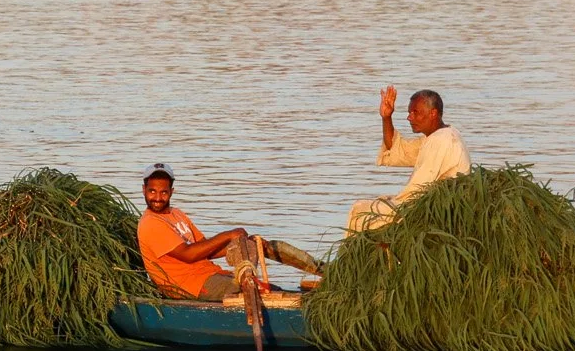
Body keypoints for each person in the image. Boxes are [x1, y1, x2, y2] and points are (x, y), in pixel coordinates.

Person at [136, 163, 319, 301]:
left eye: (163, 192)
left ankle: (317, 293)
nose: (158, 198)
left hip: (209, 275)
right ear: (144, 190)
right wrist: (228, 235)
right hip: (190, 285)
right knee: (260, 293)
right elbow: (189, 255)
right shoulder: (151, 223)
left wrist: (240, 245)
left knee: (272, 289)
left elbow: (206, 250)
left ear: (172, 192)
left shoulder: (176, 213)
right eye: (152, 191)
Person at [348, 86, 471, 232]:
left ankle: (351, 254)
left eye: (415, 112)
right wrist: (386, 117)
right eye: (409, 112)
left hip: (433, 210)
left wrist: (395, 203)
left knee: (359, 210)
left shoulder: (442, 140)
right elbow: (398, 150)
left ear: (433, 113)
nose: (409, 117)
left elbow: (418, 190)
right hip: (433, 204)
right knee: (378, 202)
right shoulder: (440, 135)